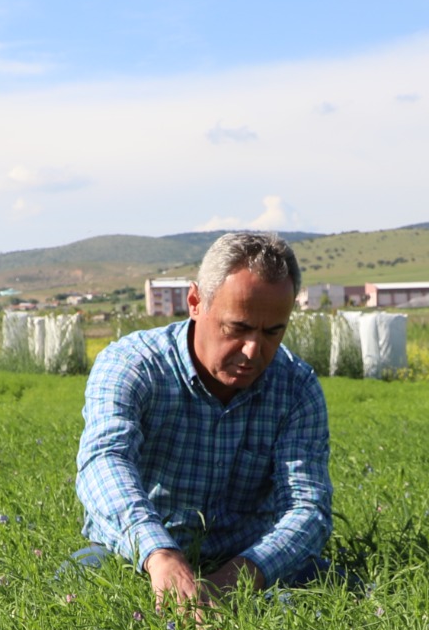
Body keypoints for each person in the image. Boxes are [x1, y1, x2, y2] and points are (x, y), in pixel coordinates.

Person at [76, 231, 330, 605]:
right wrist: (159, 553)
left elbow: (307, 508)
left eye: (273, 332)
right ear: (196, 302)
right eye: (238, 328)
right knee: (76, 606)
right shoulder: (133, 366)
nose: (253, 350)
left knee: (347, 606)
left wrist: (235, 578)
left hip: (249, 557)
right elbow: (104, 461)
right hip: (135, 553)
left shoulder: (296, 386)